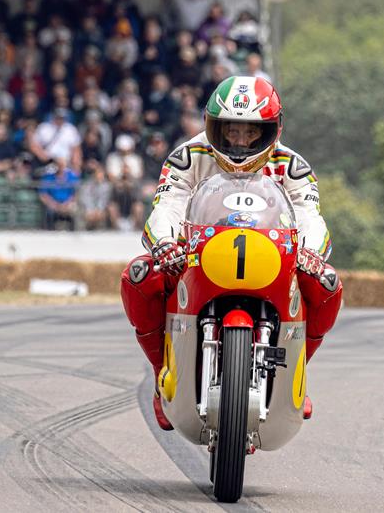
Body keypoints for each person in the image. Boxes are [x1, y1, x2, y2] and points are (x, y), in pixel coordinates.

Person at [120, 76, 343, 431]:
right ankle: (163, 371)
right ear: (213, 127)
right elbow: (168, 203)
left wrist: (311, 253)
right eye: (231, 131)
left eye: (251, 132)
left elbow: (309, 214)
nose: (239, 141)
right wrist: (165, 243)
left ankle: (296, 374)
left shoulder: (292, 166)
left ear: (272, 130)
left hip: (271, 260)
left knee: (328, 285)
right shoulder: (189, 155)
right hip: (198, 254)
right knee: (139, 275)